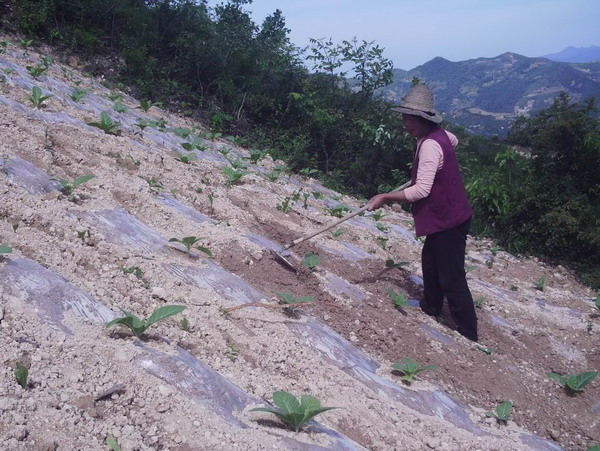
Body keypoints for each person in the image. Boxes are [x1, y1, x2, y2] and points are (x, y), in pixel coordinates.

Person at [366, 84, 478, 342]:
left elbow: (420, 191)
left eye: (411, 119)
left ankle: (468, 332)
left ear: (425, 119)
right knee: (430, 259)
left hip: (450, 219)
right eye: (404, 118)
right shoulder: (441, 136)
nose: (406, 124)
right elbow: (454, 141)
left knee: (452, 276)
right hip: (446, 214)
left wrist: (385, 197)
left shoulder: (429, 145)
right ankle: (431, 306)